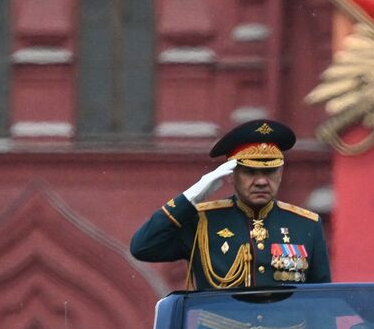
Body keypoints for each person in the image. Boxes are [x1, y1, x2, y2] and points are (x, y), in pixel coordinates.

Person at [131, 120, 330, 290]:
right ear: (231, 176)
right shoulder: (202, 221)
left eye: (270, 172)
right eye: (250, 172)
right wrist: (191, 197)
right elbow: (143, 247)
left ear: (280, 173)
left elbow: (321, 300)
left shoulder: (306, 224)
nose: (261, 181)